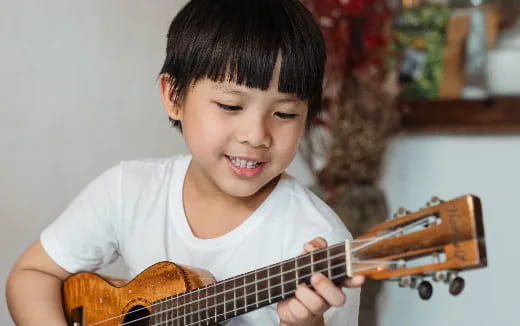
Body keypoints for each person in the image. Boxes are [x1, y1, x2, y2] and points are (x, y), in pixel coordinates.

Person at [6, 0, 364, 325]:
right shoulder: (129, 191)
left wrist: (304, 323)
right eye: (230, 106)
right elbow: (32, 274)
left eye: (284, 113)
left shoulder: (319, 243)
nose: (256, 135)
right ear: (174, 96)